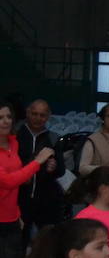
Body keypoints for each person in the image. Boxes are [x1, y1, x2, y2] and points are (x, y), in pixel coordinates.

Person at [0, 103, 55, 258]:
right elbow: (9, 181)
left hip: (12, 217)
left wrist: (16, 211)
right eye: (0, 118)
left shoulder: (13, 143)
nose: (5, 121)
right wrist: (37, 162)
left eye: (7, 117)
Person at [17, 99, 64, 243]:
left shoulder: (53, 138)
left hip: (46, 199)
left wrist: (54, 167)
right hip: (20, 198)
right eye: (34, 114)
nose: (38, 118)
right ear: (27, 113)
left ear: (48, 116)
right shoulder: (16, 136)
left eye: (42, 115)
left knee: (47, 242)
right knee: (19, 241)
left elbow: (61, 170)